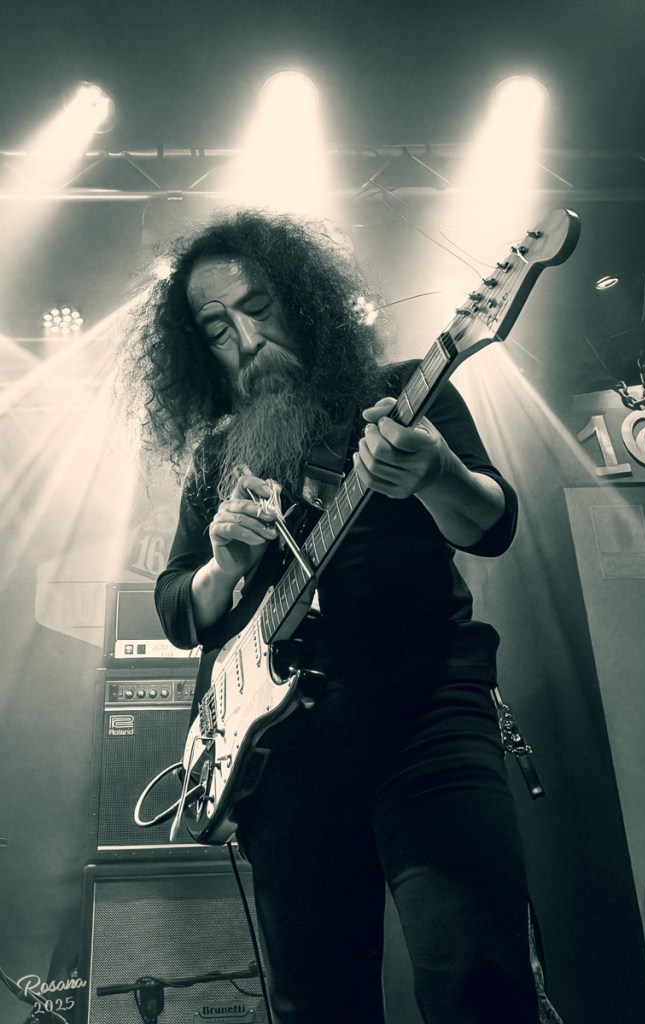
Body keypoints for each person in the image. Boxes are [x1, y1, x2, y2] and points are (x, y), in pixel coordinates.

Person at [121, 208, 549, 1024]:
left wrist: (435, 475)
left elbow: (490, 525)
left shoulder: (404, 392)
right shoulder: (216, 458)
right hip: (283, 755)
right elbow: (179, 610)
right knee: (316, 1003)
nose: (246, 339)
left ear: (303, 299)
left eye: (257, 307)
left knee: (476, 975)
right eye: (216, 328)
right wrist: (224, 566)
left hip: (423, 717)